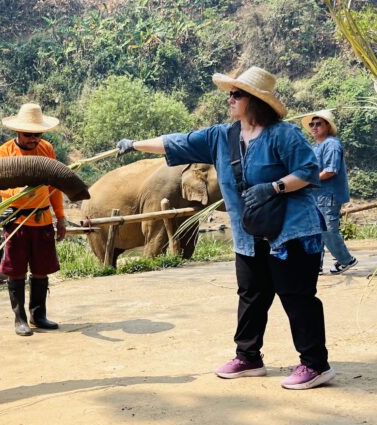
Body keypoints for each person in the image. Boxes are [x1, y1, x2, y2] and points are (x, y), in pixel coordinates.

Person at [116, 66, 334, 390]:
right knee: (251, 295)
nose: (229, 99)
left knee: (297, 296)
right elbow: (176, 142)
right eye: (230, 94)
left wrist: (275, 187)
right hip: (249, 234)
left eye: (236, 94)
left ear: (255, 101)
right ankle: (248, 357)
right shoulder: (222, 136)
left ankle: (316, 365)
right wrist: (135, 144)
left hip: (291, 231)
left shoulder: (282, 134)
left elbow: (309, 170)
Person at [0, 103, 67, 336]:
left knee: (41, 269)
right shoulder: (4, 153)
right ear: (18, 132)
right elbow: (0, 188)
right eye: (29, 134)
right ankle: (19, 319)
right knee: (16, 270)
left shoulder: (47, 149)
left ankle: (39, 314)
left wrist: (61, 217)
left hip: (43, 219)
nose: (34, 139)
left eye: (38, 134)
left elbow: (55, 187)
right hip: (17, 220)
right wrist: (19, 192)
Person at [302, 110, 357, 274]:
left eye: (318, 124)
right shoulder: (315, 146)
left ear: (328, 126)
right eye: (312, 124)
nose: (314, 127)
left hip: (328, 195)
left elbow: (331, 171)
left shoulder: (331, 144)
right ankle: (315, 264)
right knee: (316, 230)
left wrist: (306, 182)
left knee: (328, 230)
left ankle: (346, 259)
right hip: (316, 196)